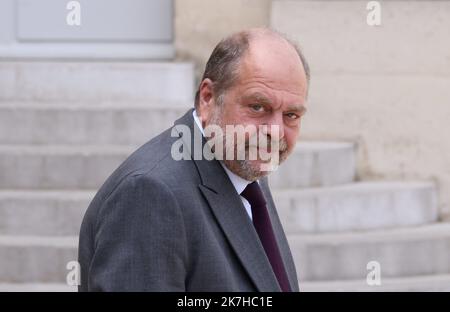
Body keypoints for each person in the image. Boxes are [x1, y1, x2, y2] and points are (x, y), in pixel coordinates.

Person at [78, 27, 310, 291]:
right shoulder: (150, 193)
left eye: (291, 115)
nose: (275, 132)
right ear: (208, 98)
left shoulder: (245, 169)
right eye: (257, 107)